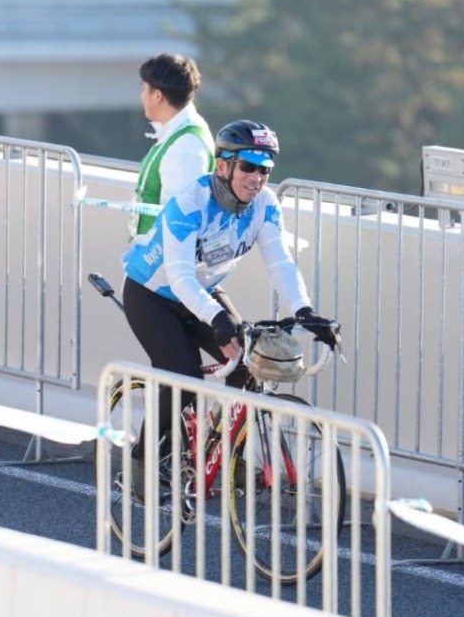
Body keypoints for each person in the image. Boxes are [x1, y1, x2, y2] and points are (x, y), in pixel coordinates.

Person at [119, 120, 337, 496]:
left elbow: (280, 262)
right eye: (248, 166)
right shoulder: (190, 203)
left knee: (245, 366)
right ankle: (142, 459)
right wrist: (218, 317)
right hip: (152, 294)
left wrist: (303, 310)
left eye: (265, 169)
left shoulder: (265, 205)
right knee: (184, 378)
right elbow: (180, 275)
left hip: (203, 292)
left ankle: (228, 456)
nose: (257, 178)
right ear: (223, 166)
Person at [130, 53, 214, 236]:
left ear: (157, 96)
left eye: (144, 89)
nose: (142, 97)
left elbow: (180, 222)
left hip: (160, 253)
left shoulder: (186, 145)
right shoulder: (177, 132)